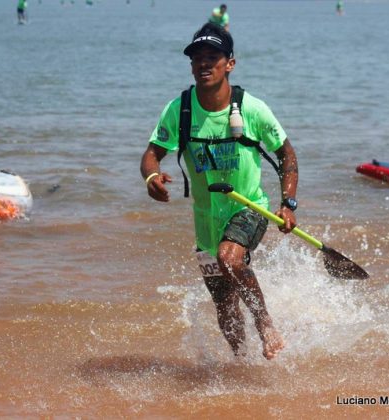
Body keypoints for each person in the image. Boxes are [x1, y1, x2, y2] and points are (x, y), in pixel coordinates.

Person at [140, 23, 299, 360]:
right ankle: (241, 365)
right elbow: (152, 154)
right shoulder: (179, 110)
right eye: (197, 58)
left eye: (213, 57)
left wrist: (288, 204)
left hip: (250, 207)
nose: (204, 64)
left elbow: (286, 154)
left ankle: (265, 323)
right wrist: (151, 177)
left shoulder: (252, 109)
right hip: (206, 221)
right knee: (224, 306)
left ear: (230, 63)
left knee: (230, 257)